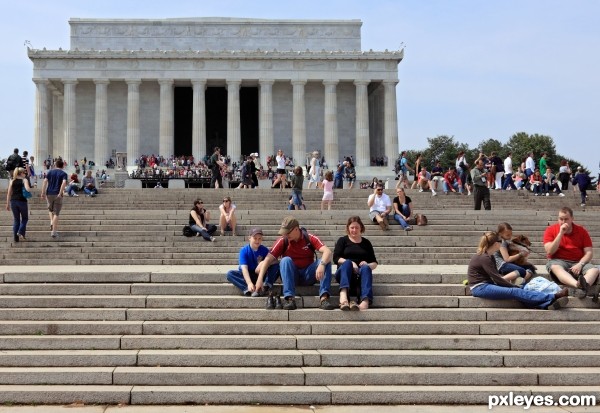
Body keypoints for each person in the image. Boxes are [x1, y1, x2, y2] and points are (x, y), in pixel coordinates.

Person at [468, 231, 569, 310]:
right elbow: (497, 278)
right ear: (495, 244)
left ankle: (544, 305)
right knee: (514, 291)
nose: (502, 243)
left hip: (488, 284)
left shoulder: (490, 257)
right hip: (479, 287)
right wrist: (513, 286)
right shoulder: (484, 257)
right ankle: (553, 297)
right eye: (500, 241)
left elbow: (496, 277)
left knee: (520, 289)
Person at [257, 216, 335, 310]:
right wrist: (260, 279)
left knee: (325, 261)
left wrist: (322, 265)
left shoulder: (309, 238)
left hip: (308, 275)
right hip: (291, 275)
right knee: (285, 260)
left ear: (296, 229)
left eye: (287, 232)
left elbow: (328, 251)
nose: (285, 235)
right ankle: (290, 299)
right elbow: (268, 259)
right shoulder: (283, 240)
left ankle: (324, 299)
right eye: (284, 232)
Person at [543, 207, 599, 296]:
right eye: (561, 219)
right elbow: (550, 251)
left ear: (572, 219)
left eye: (566, 219)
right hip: (558, 260)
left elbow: (589, 252)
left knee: (594, 270)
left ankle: (582, 286)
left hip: (578, 261)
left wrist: (580, 264)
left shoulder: (581, 231)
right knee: (555, 267)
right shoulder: (550, 230)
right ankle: (578, 285)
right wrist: (561, 233)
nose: (563, 222)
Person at [334, 216, 378, 311]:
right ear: (348, 228)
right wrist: (350, 262)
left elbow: (374, 263)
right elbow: (336, 258)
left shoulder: (366, 243)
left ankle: (365, 300)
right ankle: (343, 294)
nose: (354, 230)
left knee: (366, 268)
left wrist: (368, 264)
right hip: (344, 273)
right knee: (347, 263)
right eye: (352, 227)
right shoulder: (342, 241)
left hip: (360, 275)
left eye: (357, 227)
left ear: (361, 228)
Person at [226, 227, 281, 299]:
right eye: (255, 238)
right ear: (249, 238)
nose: (257, 241)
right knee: (230, 274)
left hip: (260, 275)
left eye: (259, 238)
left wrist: (263, 262)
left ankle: (265, 286)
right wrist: (249, 283)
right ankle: (249, 289)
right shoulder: (244, 250)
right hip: (248, 275)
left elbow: (275, 260)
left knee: (277, 266)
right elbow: (244, 269)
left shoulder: (264, 250)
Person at [41, 158, 68, 239]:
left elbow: (45, 181)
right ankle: (53, 231)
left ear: (55, 165)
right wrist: (60, 193)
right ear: (63, 166)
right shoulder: (64, 174)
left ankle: (52, 223)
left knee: (50, 210)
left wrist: (43, 192)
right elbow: (64, 183)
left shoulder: (50, 172)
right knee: (56, 213)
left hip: (49, 193)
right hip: (57, 194)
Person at [6, 167, 31, 242]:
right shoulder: (24, 180)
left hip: (13, 201)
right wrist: (27, 185)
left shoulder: (12, 180)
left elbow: (9, 193)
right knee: (25, 218)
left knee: (16, 220)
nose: (25, 174)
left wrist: (7, 204)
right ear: (21, 173)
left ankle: (15, 238)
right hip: (22, 201)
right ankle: (20, 231)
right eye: (24, 173)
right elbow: (28, 189)